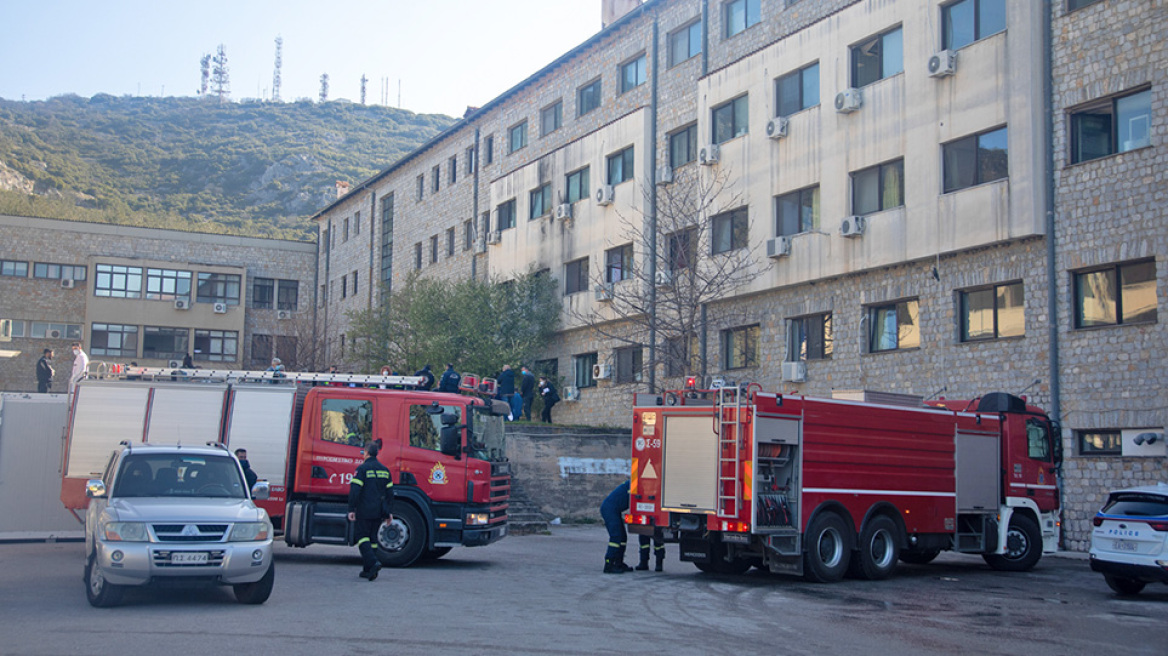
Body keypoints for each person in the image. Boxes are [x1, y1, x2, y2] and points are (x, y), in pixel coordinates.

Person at [347, 441, 394, 581]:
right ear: (377, 453)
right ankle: (369, 571)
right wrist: (388, 512)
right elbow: (390, 493)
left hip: (364, 509)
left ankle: (373, 562)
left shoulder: (362, 469)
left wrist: (351, 508)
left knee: (362, 537)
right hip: (379, 510)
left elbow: (355, 491)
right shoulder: (385, 470)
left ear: (366, 452)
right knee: (373, 539)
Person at [600, 480, 633, 573]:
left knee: (622, 537)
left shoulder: (631, 483)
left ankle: (618, 562)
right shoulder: (633, 485)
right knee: (616, 537)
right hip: (610, 509)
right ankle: (609, 564)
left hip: (613, 509)